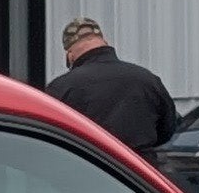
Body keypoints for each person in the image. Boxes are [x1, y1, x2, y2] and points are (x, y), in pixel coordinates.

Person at [48, 17, 175, 153]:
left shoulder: (59, 88)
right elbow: (168, 128)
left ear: (70, 55)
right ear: (105, 43)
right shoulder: (147, 79)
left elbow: (50, 138)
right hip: (138, 169)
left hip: (85, 168)